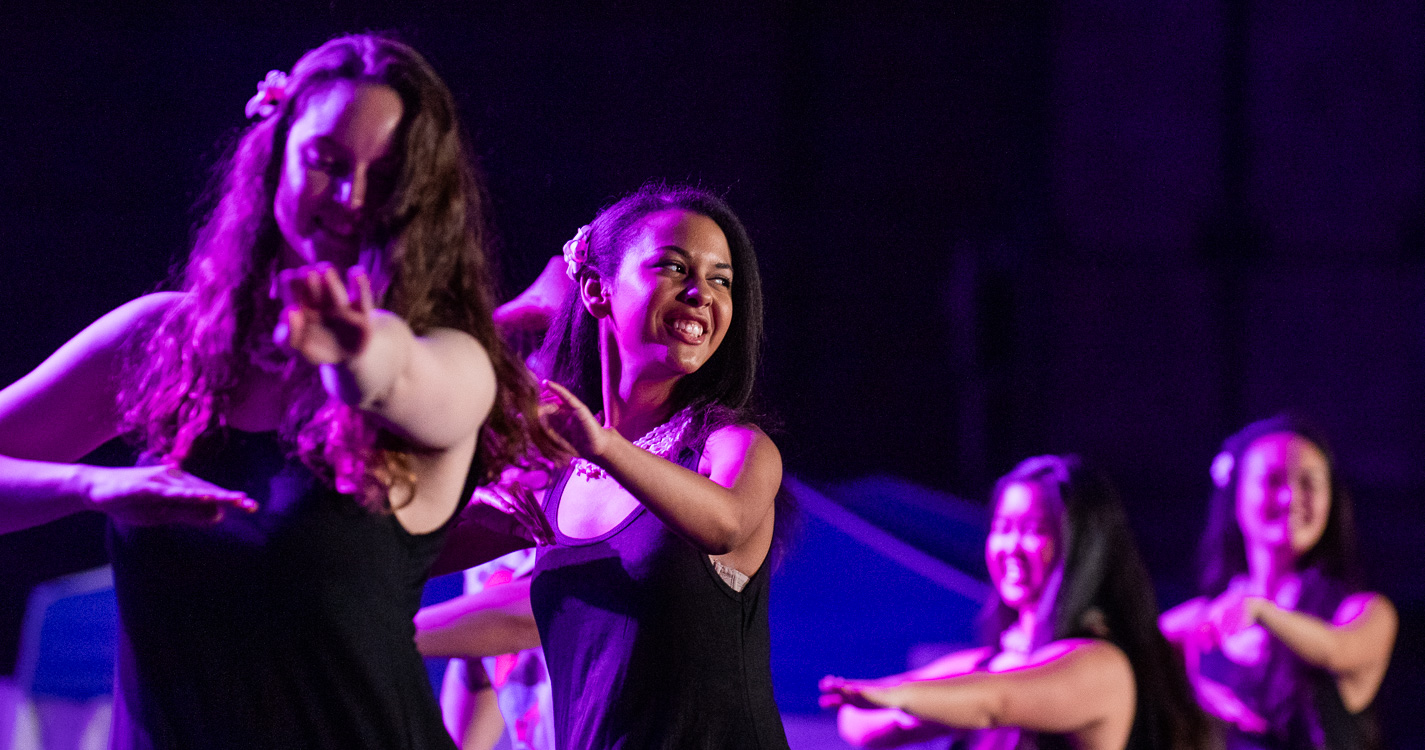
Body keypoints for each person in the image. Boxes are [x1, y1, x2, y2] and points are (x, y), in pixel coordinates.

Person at [0, 33, 555, 749]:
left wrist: (360, 357)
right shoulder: (166, 339)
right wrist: (88, 487)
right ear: (276, 160)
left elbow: (415, 384)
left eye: (386, 175)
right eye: (326, 162)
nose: (353, 197)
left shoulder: (451, 359)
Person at [439, 183, 790, 749]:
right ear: (598, 290)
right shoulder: (557, 469)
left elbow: (724, 524)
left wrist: (601, 445)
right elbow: (406, 558)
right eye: (674, 268)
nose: (702, 293)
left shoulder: (733, 448)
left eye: (721, 279)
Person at [821, 455, 1211, 750]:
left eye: (1035, 530)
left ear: (1083, 546)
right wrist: (917, 706)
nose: (1010, 547)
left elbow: (999, 702)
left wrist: (910, 698)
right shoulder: (989, 665)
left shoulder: (1101, 664)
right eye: (1003, 528)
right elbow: (858, 725)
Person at [1160, 415, 1396, 749]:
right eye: (1272, 480)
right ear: (1237, 495)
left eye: (1309, 483)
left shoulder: (1364, 612)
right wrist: (1201, 698)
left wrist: (1262, 612)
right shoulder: (1204, 617)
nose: (1289, 498)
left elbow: (1336, 649)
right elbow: (1132, 654)